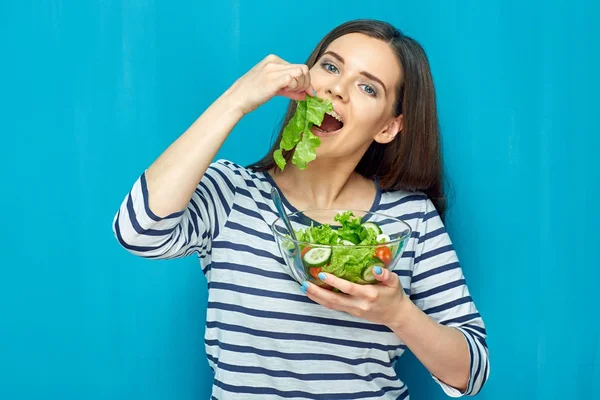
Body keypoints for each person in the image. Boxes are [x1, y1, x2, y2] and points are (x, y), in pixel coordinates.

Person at [113, 19, 490, 399]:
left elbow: (471, 372)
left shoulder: (409, 218)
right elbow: (138, 231)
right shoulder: (232, 192)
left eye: (367, 87)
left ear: (389, 128)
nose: (337, 89)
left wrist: (398, 314)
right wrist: (236, 101)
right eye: (330, 66)